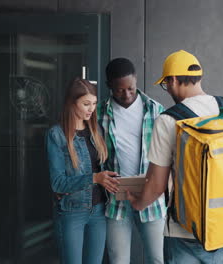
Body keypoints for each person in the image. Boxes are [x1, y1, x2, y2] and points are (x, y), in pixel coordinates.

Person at [127, 50, 223, 263]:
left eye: (166, 84)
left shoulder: (168, 120)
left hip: (185, 232)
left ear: (172, 80)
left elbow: (156, 184)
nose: (167, 89)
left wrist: (138, 203)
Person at [97, 58, 166, 264]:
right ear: (109, 86)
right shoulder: (99, 112)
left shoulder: (155, 109)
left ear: (136, 81)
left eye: (131, 88)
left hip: (151, 196)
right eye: (119, 90)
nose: (126, 95)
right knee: (118, 259)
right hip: (115, 198)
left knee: (158, 258)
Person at [47, 78, 119, 264]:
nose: (91, 109)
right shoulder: (57, 134)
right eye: (86, 104)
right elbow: (58, 183)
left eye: (94, 104)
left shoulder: (96, 131)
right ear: (72, 102)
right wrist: (95, 178)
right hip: (72, 212)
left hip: (98, 211)